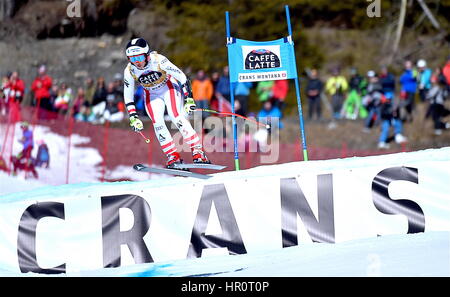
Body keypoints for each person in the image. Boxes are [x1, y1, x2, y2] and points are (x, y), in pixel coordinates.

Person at [122, 38, 209, 168]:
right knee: (158, 123)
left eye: (139, 57)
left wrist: (188, 98)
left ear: (146, 54)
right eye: (133, 59)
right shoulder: (129, 70)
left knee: (176, 116)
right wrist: (133, 117)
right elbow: (128, 95)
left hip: (169, 88)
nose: (137, 62)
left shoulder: (158, 60)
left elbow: (182, 77)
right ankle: (172, 155)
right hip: (151, 94)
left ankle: (198, 151)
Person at [426, 71, 450, 135]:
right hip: (440, 104)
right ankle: (445, 125)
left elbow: (429, 95)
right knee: (438, 117)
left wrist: (427, 95)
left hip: (436, 104)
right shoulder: (441, 88)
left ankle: (438, 129)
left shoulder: (436, 88)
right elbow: (445, 95)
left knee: (436, 117)